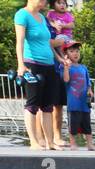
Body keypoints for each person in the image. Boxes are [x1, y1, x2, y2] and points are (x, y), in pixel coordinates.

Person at [13, 0, 65, 150]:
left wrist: (59, 58)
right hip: (32, 64)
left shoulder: (42, 17)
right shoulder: (22, 15)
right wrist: (21, 64)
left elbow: (47, 42)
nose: (44, 1)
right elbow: (20, 41)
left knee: (47, 106)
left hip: (49, 65)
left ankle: (50, 142)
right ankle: (34, 142)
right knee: (33, 103)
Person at [46, 0, 72, 147]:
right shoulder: (47, 19)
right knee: (44, 105)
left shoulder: (65, 17)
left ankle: (57, 136)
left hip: (60, 68)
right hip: (47, 66)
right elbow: (47, 43)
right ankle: (44, 137)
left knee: (58, 104)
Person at [63, 38, 91, 150]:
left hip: (84, 101)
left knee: (87, 123)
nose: (75, 53)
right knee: (73, 123)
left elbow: (88, 81)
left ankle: (89, 143)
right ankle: (73, 143)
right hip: (73, 102)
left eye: (77, 51)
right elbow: (66, 80)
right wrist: (66, 67)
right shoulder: (65, 67)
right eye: (72, 51)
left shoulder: (83, 67)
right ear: (66, 54)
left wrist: (90, 90)